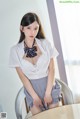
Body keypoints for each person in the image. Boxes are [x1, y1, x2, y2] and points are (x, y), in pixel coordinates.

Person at [9, 12, 62, 115]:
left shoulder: (46, 43)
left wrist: (48, 93)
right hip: (32, 90)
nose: (32, 32)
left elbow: (52, 69)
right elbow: (22, 77)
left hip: (49, 85)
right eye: (28, 28)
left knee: (55, 116)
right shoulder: (14, 50)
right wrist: (34, 97)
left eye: (35, 28)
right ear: (22, 28)